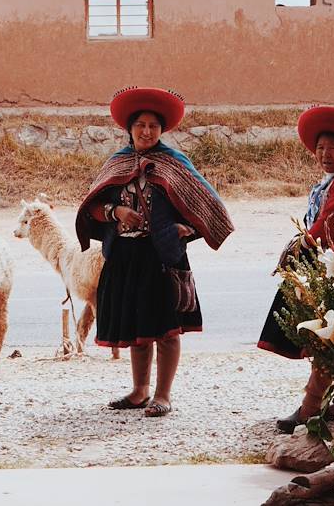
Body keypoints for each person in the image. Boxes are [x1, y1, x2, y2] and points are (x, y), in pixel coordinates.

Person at [75, 87, 234, 417]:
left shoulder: (173, 164)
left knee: (167, 328)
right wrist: (115, 213)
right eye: (140, 125)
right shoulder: (116, 163)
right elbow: (91, 206)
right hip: (125, 256)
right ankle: (139, 391)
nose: (146, 132)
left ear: (162, 131)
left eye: (153, 126)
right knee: (138, 329)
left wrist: (184, 230)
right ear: (129, 129)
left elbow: (206, 205)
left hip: (161, 257)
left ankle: (163, 395)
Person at [257, 105, 334, 433]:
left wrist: (300, 247)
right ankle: (329, 406)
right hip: (330, 266)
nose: (325, 154)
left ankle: (311, 411)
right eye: (321, 148)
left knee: (328, 339)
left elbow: (330, 223)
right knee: (331, 339)